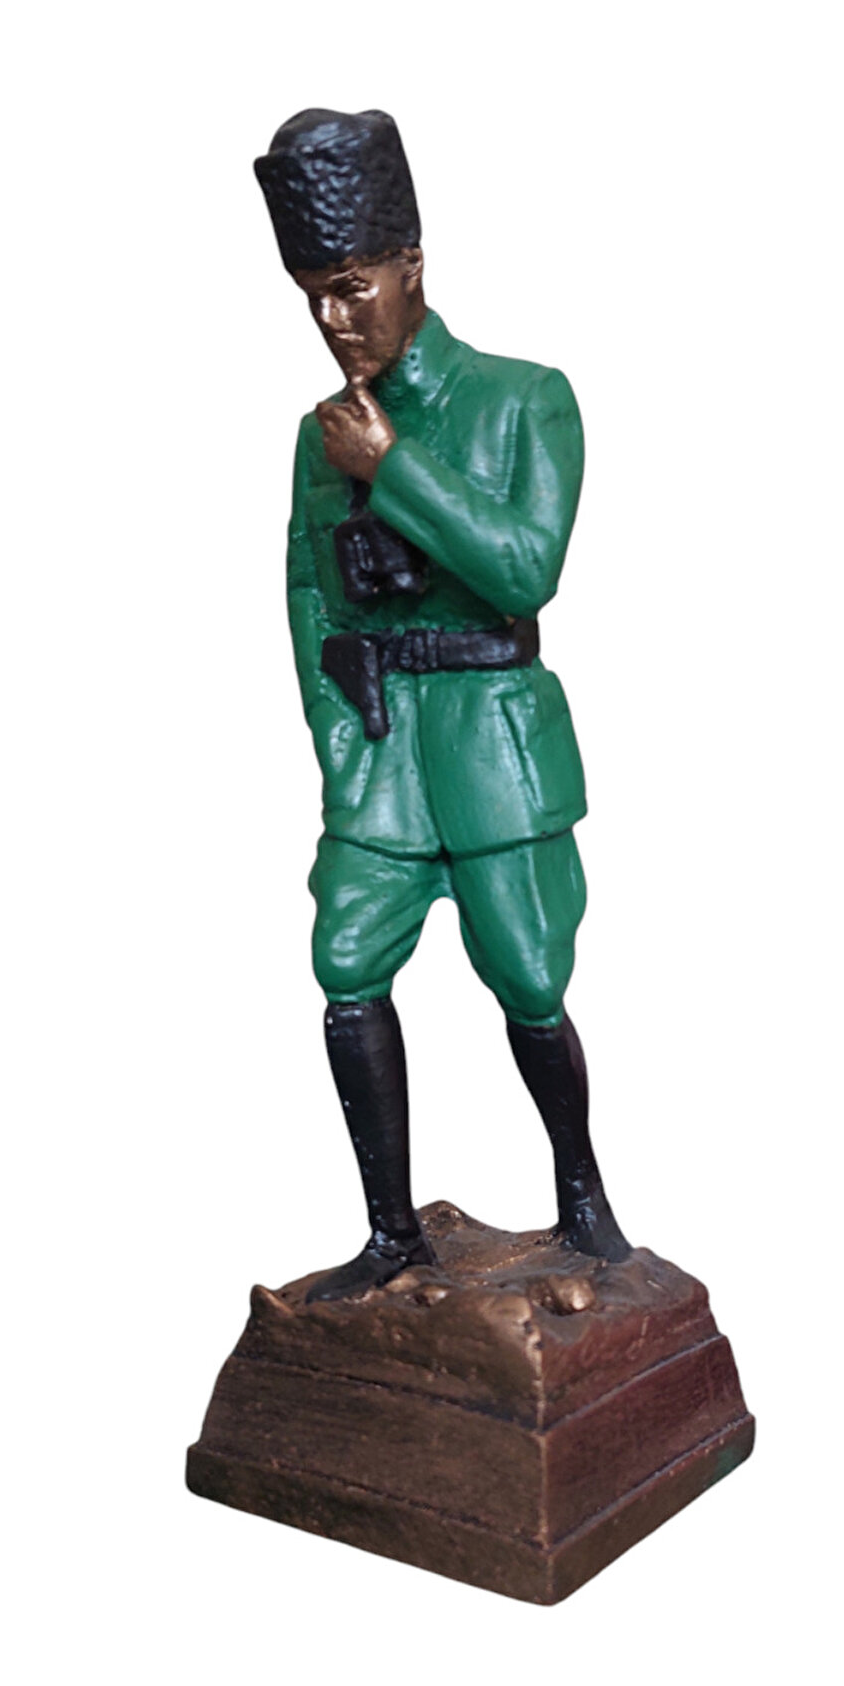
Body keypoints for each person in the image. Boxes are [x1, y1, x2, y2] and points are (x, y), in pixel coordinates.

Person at [254, 107, 629, 1302]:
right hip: (381, 748)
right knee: (344, 959)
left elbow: (525, 568)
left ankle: (584, 1197)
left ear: (411, 267)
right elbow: (309, 595)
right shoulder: (317, 436)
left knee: (529, 976)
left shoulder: (525, 399)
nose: (335, 319)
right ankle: (391, 1234)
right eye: (314, 296)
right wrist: (337, 741)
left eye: (353, 287)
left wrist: (393, 468)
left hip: (492, 738)